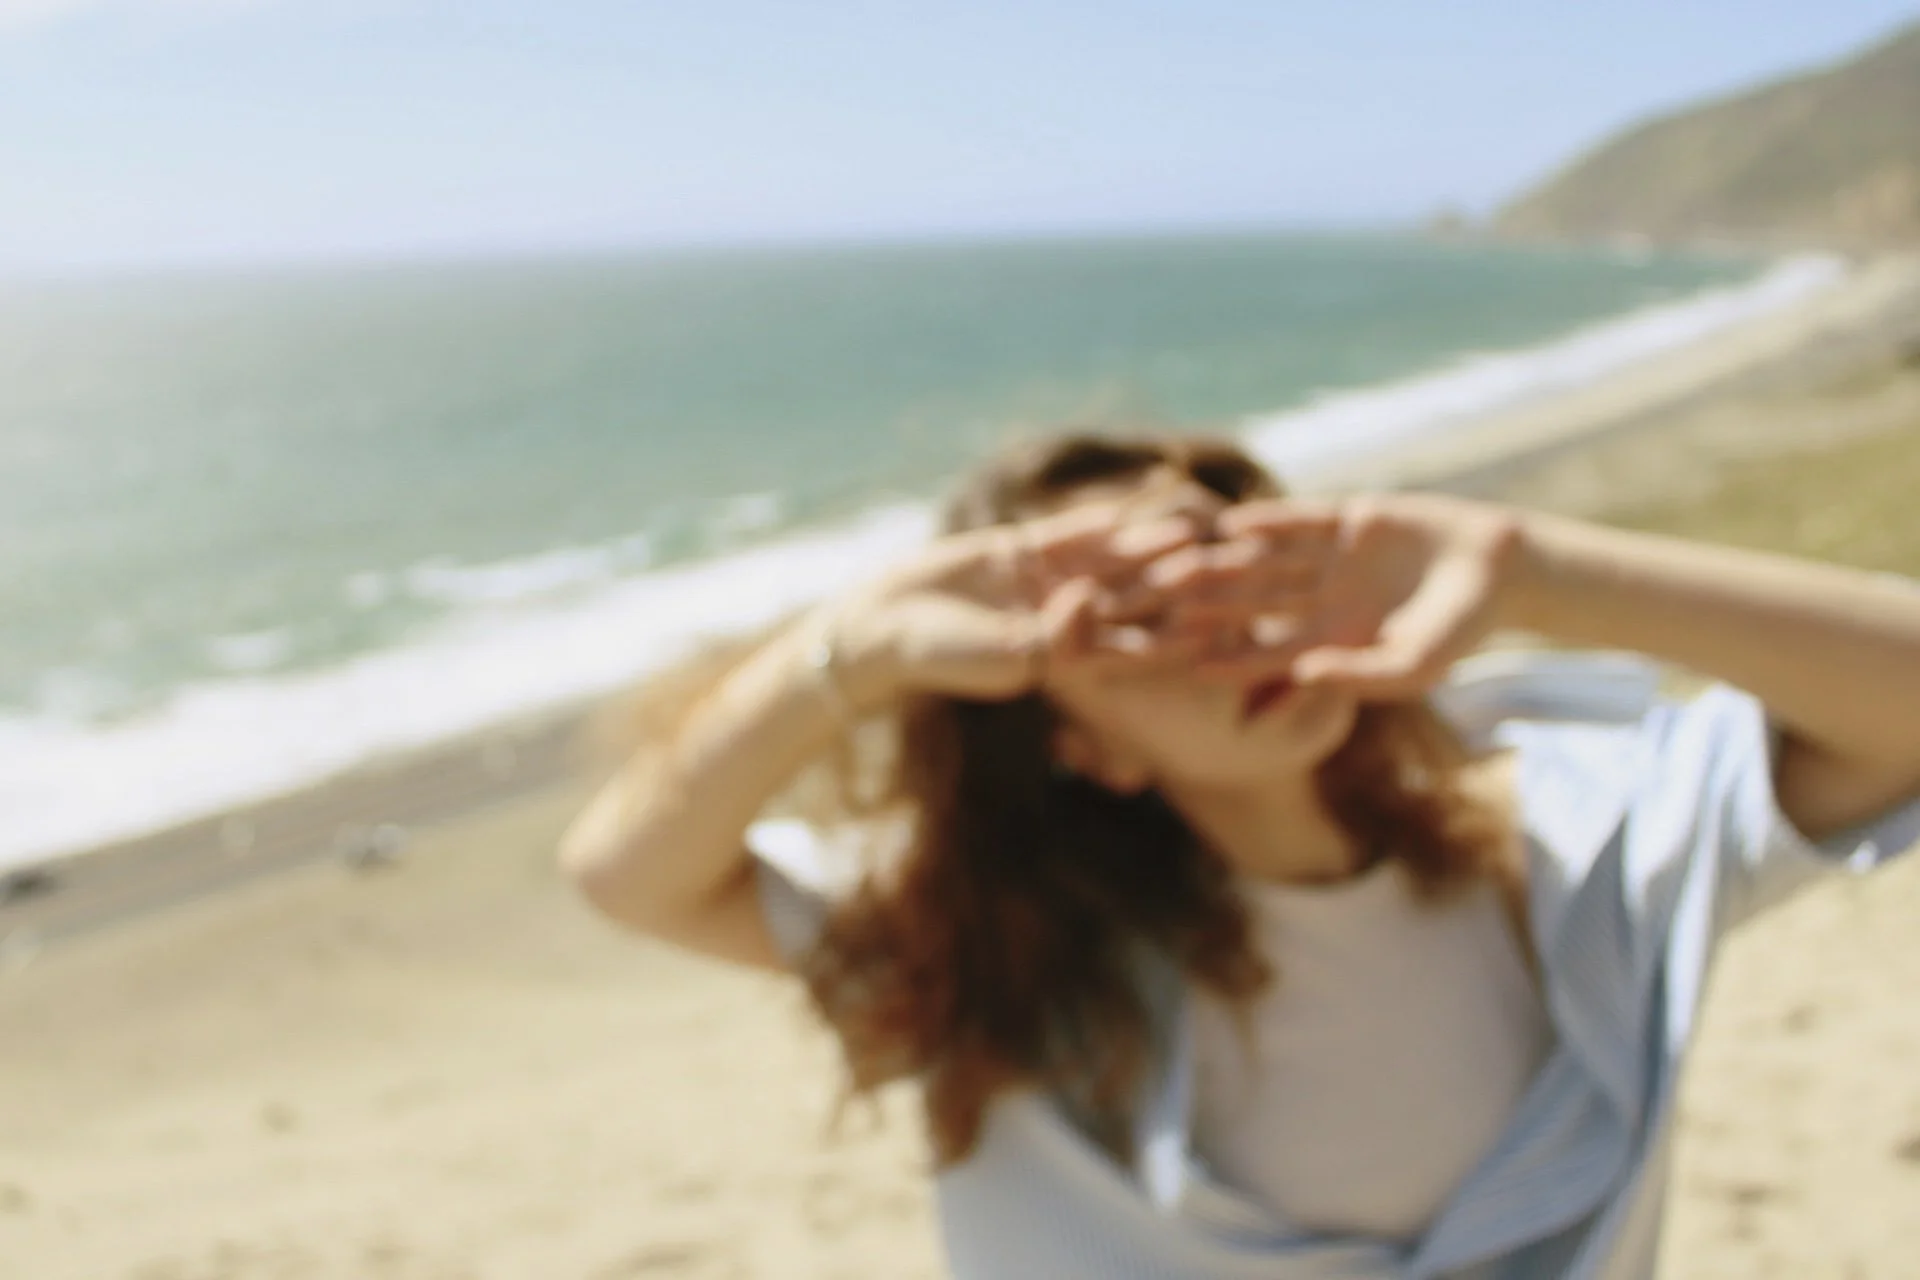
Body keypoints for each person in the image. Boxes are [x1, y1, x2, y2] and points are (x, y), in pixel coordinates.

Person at [560, 432, 1920, 1279]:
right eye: (1143, 618)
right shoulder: (989, 953)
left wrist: (1529, 570)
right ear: (1078, 745)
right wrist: (850, 651)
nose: (1234, 639)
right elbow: (626, 873)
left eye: (1231, 565)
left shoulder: (1562, 836)